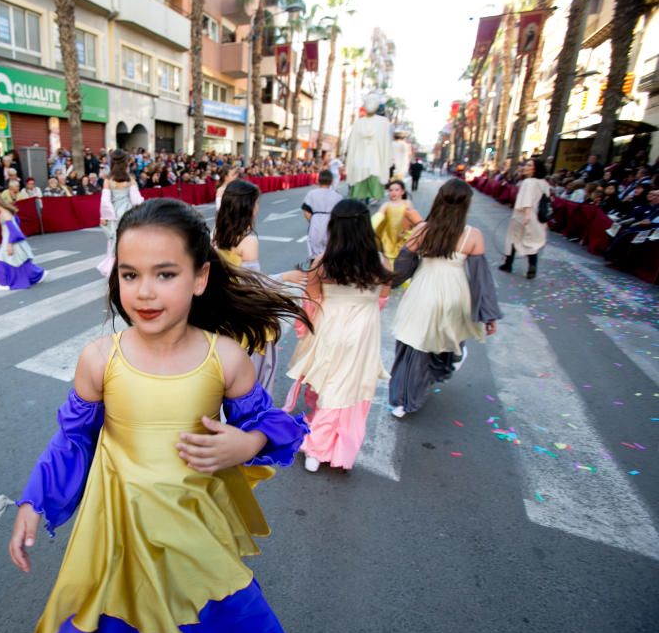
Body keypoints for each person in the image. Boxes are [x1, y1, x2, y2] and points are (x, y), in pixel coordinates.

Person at [9, 198, 308, 633]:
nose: (144, 292)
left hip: (195, 530)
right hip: (117, 536)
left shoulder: (226, 358)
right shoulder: (99, 358)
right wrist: (35, 498)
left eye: (165, 274)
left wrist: (247, 442)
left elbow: (267, 422)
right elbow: (74, 438)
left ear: (201, 278)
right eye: (130, 275)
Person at [285, 199, 392, 473]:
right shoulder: (381, 262)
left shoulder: (322, 263)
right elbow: (382, 299)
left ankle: (315, 446)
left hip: (329, 328)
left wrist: (303, 332)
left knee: (327, 383)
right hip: (363, 334)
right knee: (348, 389)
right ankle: (327, 445)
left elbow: (311, 302)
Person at [389, 179, 501, 418]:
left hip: (423, 292)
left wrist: (387, 284)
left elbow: (403, 265)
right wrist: (488, 315)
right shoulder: (473, 235)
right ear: (466, 205)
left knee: (413, 345)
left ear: (439, 199)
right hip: (455, 295)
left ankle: (403, 400)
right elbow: (481, 280)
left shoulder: (423, 230)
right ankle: (452, 357)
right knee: (442, 337)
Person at [212, 179, 306, 393]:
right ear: (247, 207)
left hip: (220, 309)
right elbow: (253, 282)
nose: (257, 209)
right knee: (254, 369)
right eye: (256, 203)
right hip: (241, 311)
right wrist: (285, 277)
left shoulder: (215, 234)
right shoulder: (247, 240)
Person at [500, 157, 550, 279]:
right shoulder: (544, 183)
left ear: (535, 169)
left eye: (529, 165)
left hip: (524, 215)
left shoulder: (528, 182)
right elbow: (546, 200)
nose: (525, 167)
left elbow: (526, 200)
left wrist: (526, 215)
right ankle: (532, 266)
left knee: (513, 238)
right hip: (537, 217)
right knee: (531, 242)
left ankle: (508, 264)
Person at [98, 149, 143, 277]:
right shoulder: (130, 179)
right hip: (128, 214)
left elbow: (105, 200)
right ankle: (129, 266)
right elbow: (136, 200)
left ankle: (113, 268)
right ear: (125, 162)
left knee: (113, 241)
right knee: (129, 240)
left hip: (113, 215)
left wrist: (105, 216)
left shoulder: (108, 180)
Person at [0, 191, 44, 290]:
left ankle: (4, 284)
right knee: (20, 261)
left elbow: (13, 230)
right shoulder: (7, 211)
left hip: (10, 240)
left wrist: (10, 244)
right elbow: (16, 224)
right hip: (11, 239)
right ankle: (38, 274)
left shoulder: (4, 214)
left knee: (2, 261)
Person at [372, 179, 420, 264]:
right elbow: (378, 217)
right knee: (389, 257)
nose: (393, 192)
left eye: (397, 190)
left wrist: (408, 232)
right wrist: (369, 227)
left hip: (403, 234)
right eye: (391, 190)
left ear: (402, 192)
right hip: (389, 236)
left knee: (401, 257)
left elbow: (412, 218)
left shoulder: (407, 203)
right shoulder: (386, 205)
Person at [301, 169, 343, 259]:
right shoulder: (337, 195)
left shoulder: (311, 194)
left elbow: (306, 211)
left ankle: (315, 269)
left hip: (316, 223)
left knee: (315, 253)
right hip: (331, 223)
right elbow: (341, 213)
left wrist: (313, 220)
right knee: (331, 250)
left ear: (318, 180)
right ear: (331, 181)